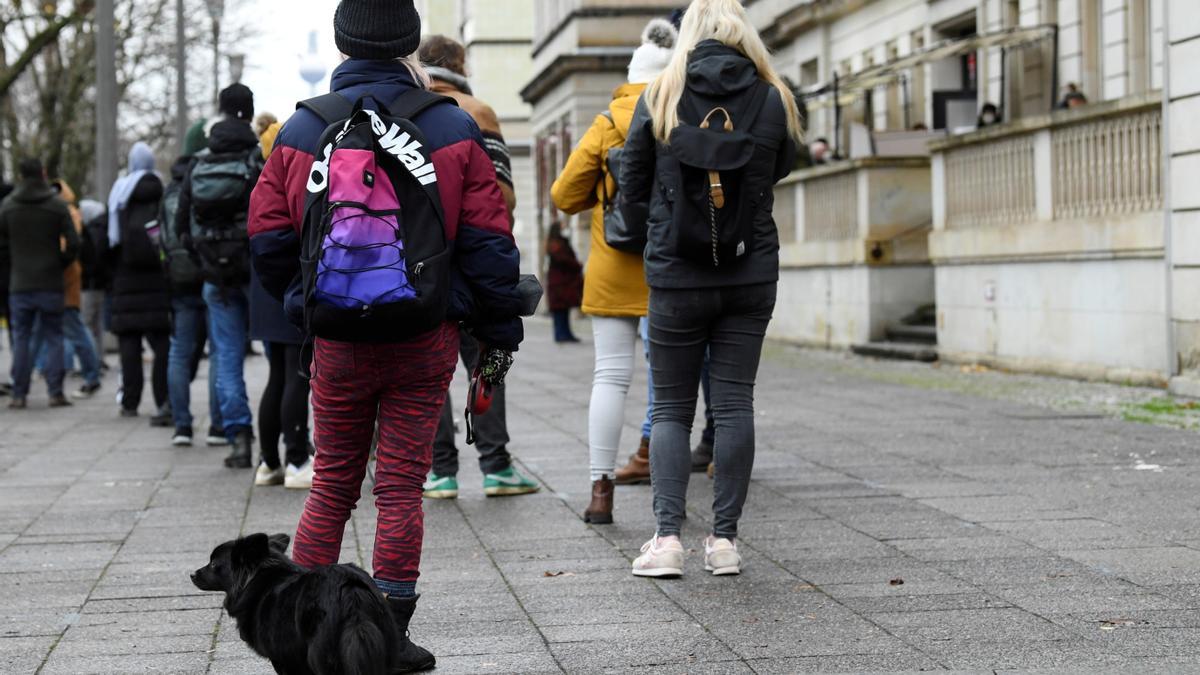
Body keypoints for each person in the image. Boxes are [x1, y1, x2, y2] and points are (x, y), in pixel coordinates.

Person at [247, 1, 526, 668]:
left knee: (333, 483)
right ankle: (390, 634)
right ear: (409, 44)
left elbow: (266, 239)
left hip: (337, 340)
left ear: (344, 44)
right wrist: (493, 322)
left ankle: (302, 626)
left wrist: (304, 303)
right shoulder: (452, 125)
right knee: (401, 485)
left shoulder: (301, 129)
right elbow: (491, 243)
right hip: (424, 335)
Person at [618, 0, 801, 577]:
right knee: (734, 402)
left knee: (670, 407)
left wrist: (667, 224)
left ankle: (667, 540)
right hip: (750, 271)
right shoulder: (773, 97)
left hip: (676, 273)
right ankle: (723, 542)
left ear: (688, 34)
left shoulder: (661, 94)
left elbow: (633, 182)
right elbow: (780, 167)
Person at [551, 17, 676, 522]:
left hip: (611, 267)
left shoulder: (608, 122)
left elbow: (562, 195)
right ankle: (669, 498)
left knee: (610, 378)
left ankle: (600, 494)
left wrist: (603, 199)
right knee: (669, 387)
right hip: (669, 268)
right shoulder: (678, 116)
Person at [418, 34, 538, 500]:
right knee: (486, 361)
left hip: (423, 265)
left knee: (429, 372)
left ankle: (440, 471)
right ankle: (495, 466)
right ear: (458, 64)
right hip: (476, 263)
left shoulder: (405, 115)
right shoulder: (476, 111)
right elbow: (503, 195)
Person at [178, 83, 264, 468]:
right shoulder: (256, 157)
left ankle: (239, 439)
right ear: (250, 110)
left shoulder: (199, 162)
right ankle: (291, 440)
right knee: (282, 357)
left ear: (221, 110)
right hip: (255, 271)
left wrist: (205, 261)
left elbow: (182, 226)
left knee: (226, 357)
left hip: (216, 273)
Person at [249, 133, 311, 490]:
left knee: (276, 377)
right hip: (290, 287)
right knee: (296, 378)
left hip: (263, 290)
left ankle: (269, 461)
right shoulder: (297, 177)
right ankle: (297, 460)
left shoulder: (260, 180)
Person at [163, 128, 227, 448]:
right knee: (218, 350)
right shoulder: (209, 175)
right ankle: (218, 426)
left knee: (179, 351)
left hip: (179, 278)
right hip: (211, 271)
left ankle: (182, 426)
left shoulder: (170, 187)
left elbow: (165, 235)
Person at [0, 158, 79, 409]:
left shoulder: (8, 206)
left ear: (21, 176)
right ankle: (55, 391)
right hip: (50, 281)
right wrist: (60, 262)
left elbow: (1, 245)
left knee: (21, 337)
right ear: (43, 174)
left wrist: (15, 264)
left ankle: (19, 393)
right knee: (54, 335)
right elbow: (74, 242)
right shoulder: (56, 205)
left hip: (20, 283)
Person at [107, 143, 171, 422]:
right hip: (157, 281)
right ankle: (164, 400)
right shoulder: (161, 190)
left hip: (125, 278)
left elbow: (109, 241)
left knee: (129, 345)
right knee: (162, 345)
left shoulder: (119, 194)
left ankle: (130, 402)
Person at [28, 180, 103, 399]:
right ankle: (24, 376)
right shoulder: (60, 211)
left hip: (63, 280)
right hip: (53, 280)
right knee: (40, 332)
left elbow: (67, 245)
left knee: (74, 329)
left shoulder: (68, 213)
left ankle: (91, 374)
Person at [545, 222, 582, 343]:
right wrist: (577, 265)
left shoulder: (552, 242)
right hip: (561, 283)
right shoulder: (557, 244)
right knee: (560, 310)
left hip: (559, 282)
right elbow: (565, 260)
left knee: (563, 310)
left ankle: (564, 334)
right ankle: (561, 334)